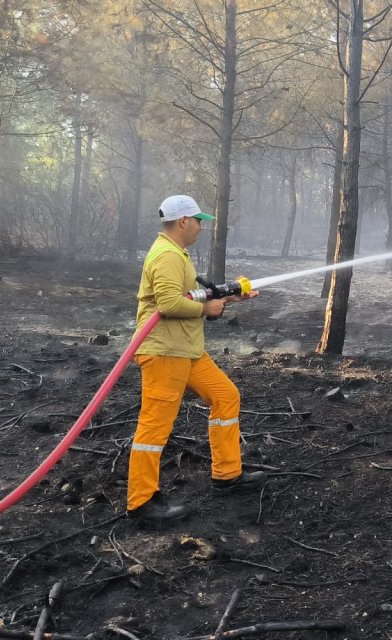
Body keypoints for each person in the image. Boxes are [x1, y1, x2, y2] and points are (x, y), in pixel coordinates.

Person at [126, 194, 264, 522]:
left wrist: (226, 300)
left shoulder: (179, 255)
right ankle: (141, 502)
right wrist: (205, 308)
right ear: (183, 221)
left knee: (225, 396)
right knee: (155, 425)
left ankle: (227, 476)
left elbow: (191, 300)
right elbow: (169, 305)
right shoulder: (166, 256)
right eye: (198, 221)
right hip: (163, 352)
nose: (201, 227)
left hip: (186, 350)